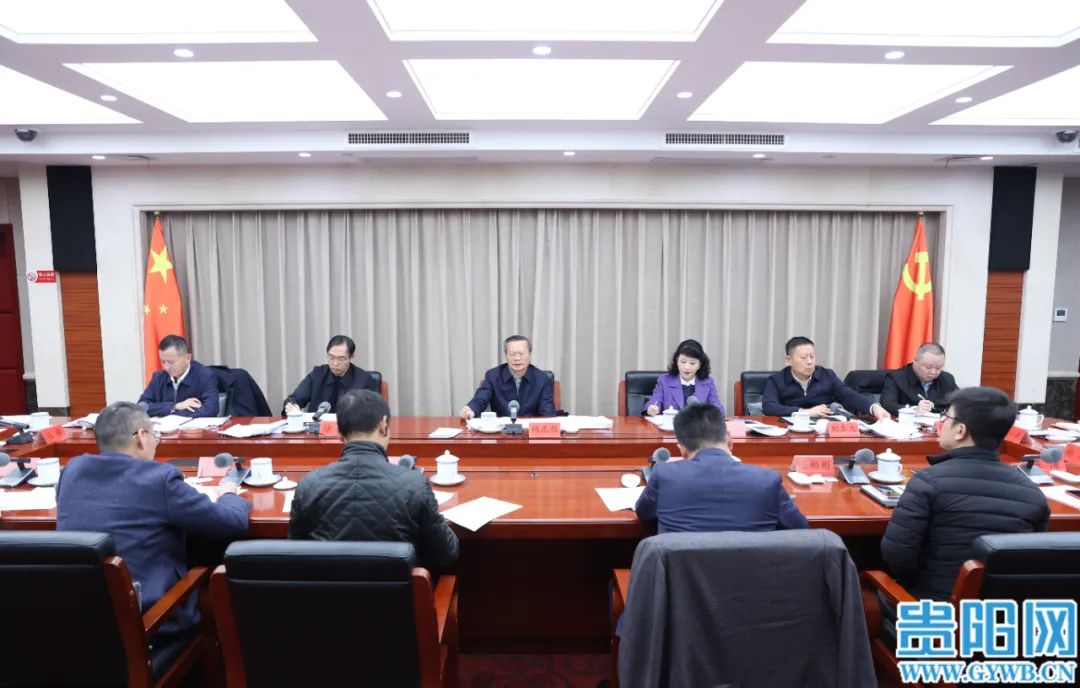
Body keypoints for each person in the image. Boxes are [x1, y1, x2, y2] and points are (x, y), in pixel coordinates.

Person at [56, 401, 251, 637]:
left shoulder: (72, 470)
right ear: (141, 436)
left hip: (79, 623)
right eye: (154, 435)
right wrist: (229, 494)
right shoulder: (158, 478)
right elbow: (231, 522)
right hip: (149, 624)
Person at [881, 387, 1049, 600]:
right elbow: (1031, 562)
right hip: (1001, 612)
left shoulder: (928, 481)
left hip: (933, 607)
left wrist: (916, 588)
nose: (942, 423)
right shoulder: (1033, 494)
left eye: (946, 417)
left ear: (960, 430)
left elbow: (897, 553)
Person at [289, 389, 459, 573]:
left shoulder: (308, 486)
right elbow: (447, 554)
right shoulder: (414, 484)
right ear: (383, 425)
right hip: (397, 591)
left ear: (340, 434)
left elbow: (295, 555)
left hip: (328, 591)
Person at [634, 403, 808, 533]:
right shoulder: (768, 481)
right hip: (753, 572)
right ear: (730, 440)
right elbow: (800, 529)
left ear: (682, 450)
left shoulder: (664, 474)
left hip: (681, 572)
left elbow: (644, 515)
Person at [761, 336, 890, 419]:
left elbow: (849, 395)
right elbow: (769, 406)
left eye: (812, 356)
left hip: (822, 428)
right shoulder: (777, 380)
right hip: (790, 429)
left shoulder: (827, 375)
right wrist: (805, 412)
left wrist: (874, 408)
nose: (809, 362)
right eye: (804, 358)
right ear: (789, 360)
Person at [459, 335, 556, 419]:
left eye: (521, 354)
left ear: (529, 355)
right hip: (502, 429)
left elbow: (547, 412)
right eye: (512, 354)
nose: (517, 358)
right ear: (506, 356)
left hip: (530, 430)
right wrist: (471, 409)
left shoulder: (542, 379)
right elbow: (481, 398)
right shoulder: (493, 375)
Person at [284, 335, 378, 414]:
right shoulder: (318, 374)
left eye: (341, 359)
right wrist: (293, 406)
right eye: (331, 357)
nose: (335, 363)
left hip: (349, 429)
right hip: (317, 428)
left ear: (351, 358)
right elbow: (294, 399)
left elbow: (375, 412)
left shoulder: (364, 380)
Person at [138, 334, 220, 418]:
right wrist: (174, 406)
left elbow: (211, 410)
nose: (166, 367)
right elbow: (142, 406)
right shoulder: (158, 377)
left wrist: (166, 413)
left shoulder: (205, 376)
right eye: (163, 362)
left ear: (187, 358)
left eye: (171, 362)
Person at [643, 339, 725, 416]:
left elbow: (719, 409)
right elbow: (654, 402)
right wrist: (651, 409)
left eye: (692, 363)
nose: (687, 367)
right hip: (671, 425)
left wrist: (710, 412)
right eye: (683, 362)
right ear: (677, 361)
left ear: (699, 365)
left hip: (699, 426)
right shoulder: (664, 381)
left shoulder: (707, 382)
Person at [879, 342, 958, 416]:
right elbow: (887, 405)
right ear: (915, 361)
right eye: (928, 367)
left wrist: (935, 405)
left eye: (938, 368)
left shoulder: (947, 379)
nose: (933, 372)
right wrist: (914, 409)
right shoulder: (896, 378)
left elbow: (961, 401)